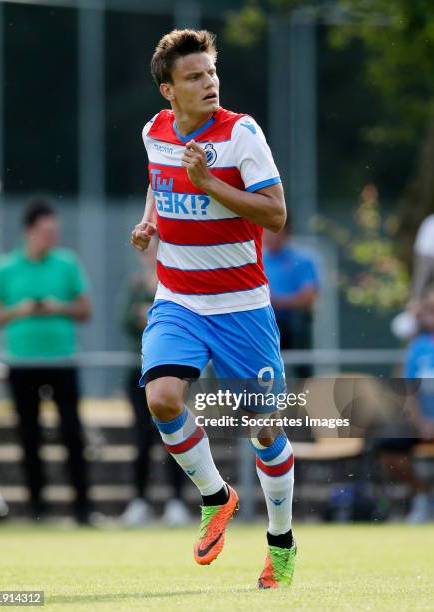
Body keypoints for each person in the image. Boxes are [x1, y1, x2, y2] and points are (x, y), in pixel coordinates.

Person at [130, 29, 295, 588]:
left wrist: (209, 184)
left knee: (264, 431)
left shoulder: (241, 134)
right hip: (177, 298)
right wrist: (151, 219)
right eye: (194, 77)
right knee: (162, 397)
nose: (209, 83)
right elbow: (161, 179)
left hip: (241, 307)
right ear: (167, 91)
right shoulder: (155, 132)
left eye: (211, 73)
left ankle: (281, 543)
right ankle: (216, 497)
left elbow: (275, 215)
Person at [0, 199, 92, 524]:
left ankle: (82, 509)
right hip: (22, 364)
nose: (51, 237)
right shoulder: (5, 268)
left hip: (61, 361)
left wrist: (57, 307)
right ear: (29, 232)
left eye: (54, 232)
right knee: (29, 436)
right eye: (46, 232)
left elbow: (84, 309)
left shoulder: (67, 263)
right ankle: (37, 510)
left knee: (72, 434)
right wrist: (21, 310)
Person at [119, 240, 191, 526]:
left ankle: (176, 502)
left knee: (174, 436)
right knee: (141, 437)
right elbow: (125, 319)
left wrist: (150, 313)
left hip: (173, 372)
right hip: (138, 371)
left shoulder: (178, 281)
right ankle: (139, 502)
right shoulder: (135, 283)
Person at [378, 285, 434, 523]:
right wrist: (422, 423)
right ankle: (422, 495)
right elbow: (408, 390)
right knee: (388, 447)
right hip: (422, 423)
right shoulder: (416, 346)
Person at [263, 220, 320, 379]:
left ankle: (302, 397)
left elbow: (307, 298)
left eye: (276, 231)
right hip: (265, 324)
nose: (271, 236)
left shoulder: (303, 260)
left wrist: (272, 301)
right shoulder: (255, 262)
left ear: (288, 233)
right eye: (266, 231)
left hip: (294, 325)